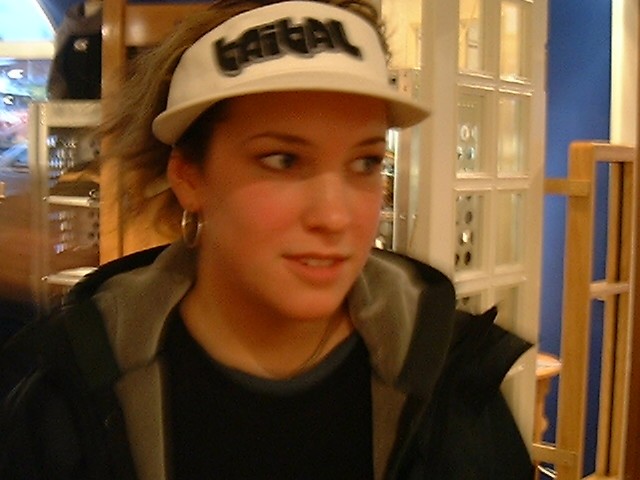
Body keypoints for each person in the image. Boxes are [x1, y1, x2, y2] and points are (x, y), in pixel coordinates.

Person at [0, 1, 535, 479]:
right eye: (282, 159)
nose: (334, 216)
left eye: (366, 162)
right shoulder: (75, 390)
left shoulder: (448, 383)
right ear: (188, 176)